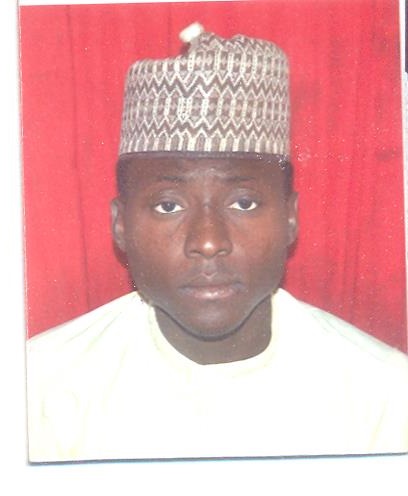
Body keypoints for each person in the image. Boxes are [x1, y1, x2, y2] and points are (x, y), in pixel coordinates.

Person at [27, 23, 408, 462]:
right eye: (168, 205)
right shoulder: (39, 390)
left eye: (243, 203)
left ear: (290, 218)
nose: (208, 242)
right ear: (120, 226)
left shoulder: (381, 397)